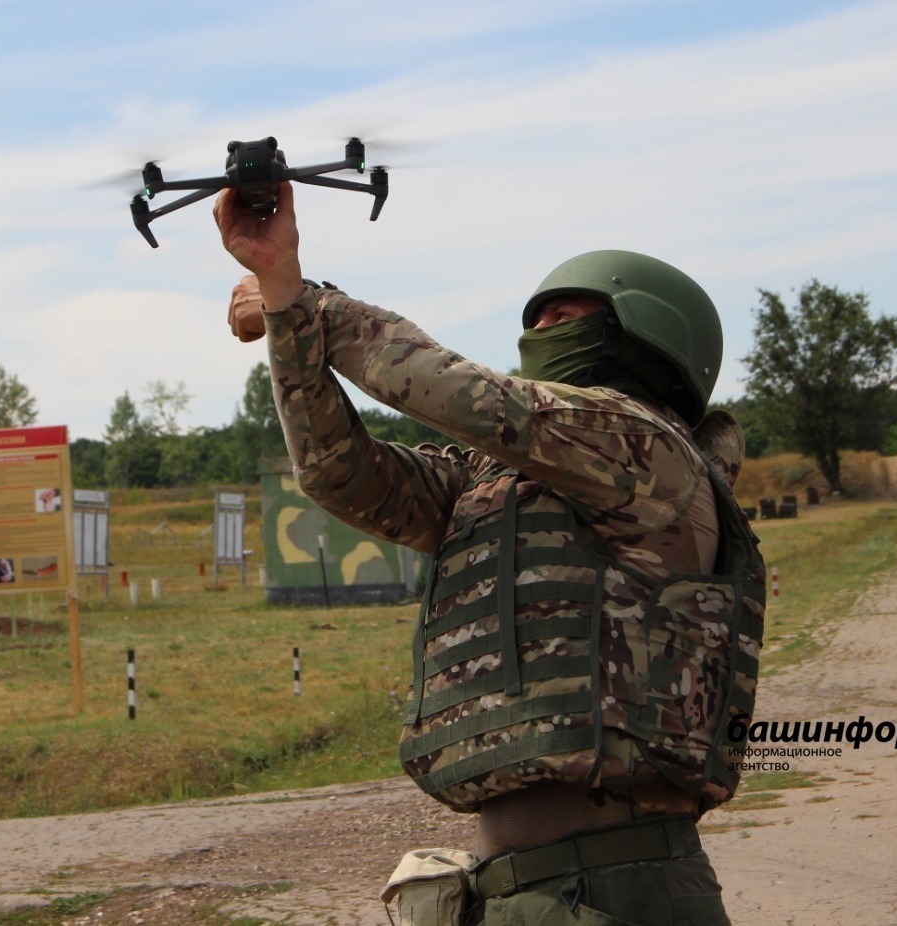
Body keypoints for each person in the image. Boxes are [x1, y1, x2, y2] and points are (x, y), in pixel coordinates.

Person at [215, 183, 765, 926]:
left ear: (648, 338)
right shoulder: (491, 481)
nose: (543, 326)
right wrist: (287, 312)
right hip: (507, 889)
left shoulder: (649, 451)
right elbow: (339, 472)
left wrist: (305, 300)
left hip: (622, 890)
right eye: (536, 316)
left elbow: (467, 398)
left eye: (568, 315)